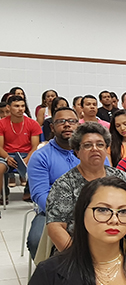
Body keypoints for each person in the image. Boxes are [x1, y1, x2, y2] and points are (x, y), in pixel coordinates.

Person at [46, 122, 126, 252]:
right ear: (77, 151)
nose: (95, 149)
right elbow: (55, 226)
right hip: (78, 251)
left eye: (100, 145)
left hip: (119, 247)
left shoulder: (121, 177)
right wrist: (77, 257)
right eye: (87, 145)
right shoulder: (65, 184)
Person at [26, 107, 80, 258]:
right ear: (52, 127)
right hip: (50, 211)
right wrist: (68, 214)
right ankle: (49, 277)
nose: (67, 125)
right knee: (36, 240)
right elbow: (40, 194)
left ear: (78, 125)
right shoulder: (40, 156)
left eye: (71, 121)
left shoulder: (93, 152)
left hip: (90, 211)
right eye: (61, 121)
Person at [0, 94, 42, 201]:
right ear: (8, 107)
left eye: (22, 106)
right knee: (0, 167)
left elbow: (35, 146)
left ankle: (29, 192)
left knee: (38, 162)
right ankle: (2, 194)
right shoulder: (2, 123)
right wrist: (7, 158)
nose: (20, 109)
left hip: (26, 153)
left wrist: (28, 159)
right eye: (17, 106)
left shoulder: (33, 124)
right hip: (7, 153)